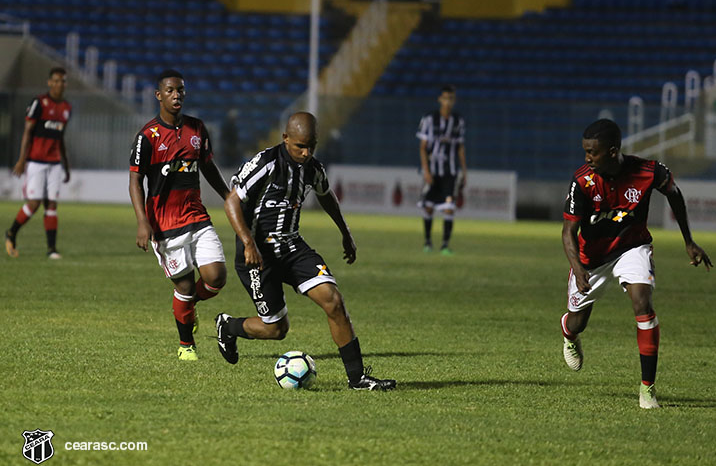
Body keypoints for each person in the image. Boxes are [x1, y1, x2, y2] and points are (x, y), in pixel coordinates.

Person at [216, 111, 396, 391]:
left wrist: (345, 232)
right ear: (285, 138)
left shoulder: (313, 168)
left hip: (292, 246)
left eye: (311, 145)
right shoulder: (265, 163)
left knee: (334, 301)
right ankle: (228, 327)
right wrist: (248, 242)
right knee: (276, 329)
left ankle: (357, 379)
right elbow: (231, 202)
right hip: (258, 254)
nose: (306, 152)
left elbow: (326, 194)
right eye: (300, 146)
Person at [560, 119, 712, 409]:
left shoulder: (648, 172)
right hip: (591, 260)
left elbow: (674, 195)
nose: (587, 158)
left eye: (592, 152)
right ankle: (568, 331)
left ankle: (648, 391)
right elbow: (568, 232)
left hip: (633, 246)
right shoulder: (582, 181)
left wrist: (688, 241)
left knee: (643, 303)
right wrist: (579, 269)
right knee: (579, 320)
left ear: (613, 151)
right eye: (585, 151)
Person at [128, 69, 229, 361]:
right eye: (171, 91)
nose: (177, 96)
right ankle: (186, 345)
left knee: (217, 278)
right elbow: (135, 181)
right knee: (183, 284)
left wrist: (227, 196)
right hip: (165, 224)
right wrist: (142, 222)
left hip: (196, 216)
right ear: (159, 96)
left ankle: (187, 308)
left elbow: (208, 166)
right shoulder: (148, 136)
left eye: (181, 90)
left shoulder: (196, 129)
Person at [5, 67, 71, 259]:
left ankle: (51, 249)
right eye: (56, 80)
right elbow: (27, 132)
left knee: (52, 204)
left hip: (55, 163)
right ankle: (11, 232)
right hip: (36, 161)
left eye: (63, 81)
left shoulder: (66, 107)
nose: (60, 84)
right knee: (34, 203)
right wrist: (21, 160)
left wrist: (66, 164)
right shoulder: (39, 103)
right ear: (49, 82)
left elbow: (61, 137)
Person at [417, 84, 466, 255]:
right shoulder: (429, 119)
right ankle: (428, 242)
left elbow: (460, 147)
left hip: (450, 172)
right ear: (440, 99)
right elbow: (423, 147)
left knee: (449, 207)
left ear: (454, 100)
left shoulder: (458, 121)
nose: (447, 102)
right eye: (445, 98)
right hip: (432, 171)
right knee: (429, 207)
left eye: (450, 99)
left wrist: (464, 171)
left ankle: (445, 244)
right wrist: (426, 171)